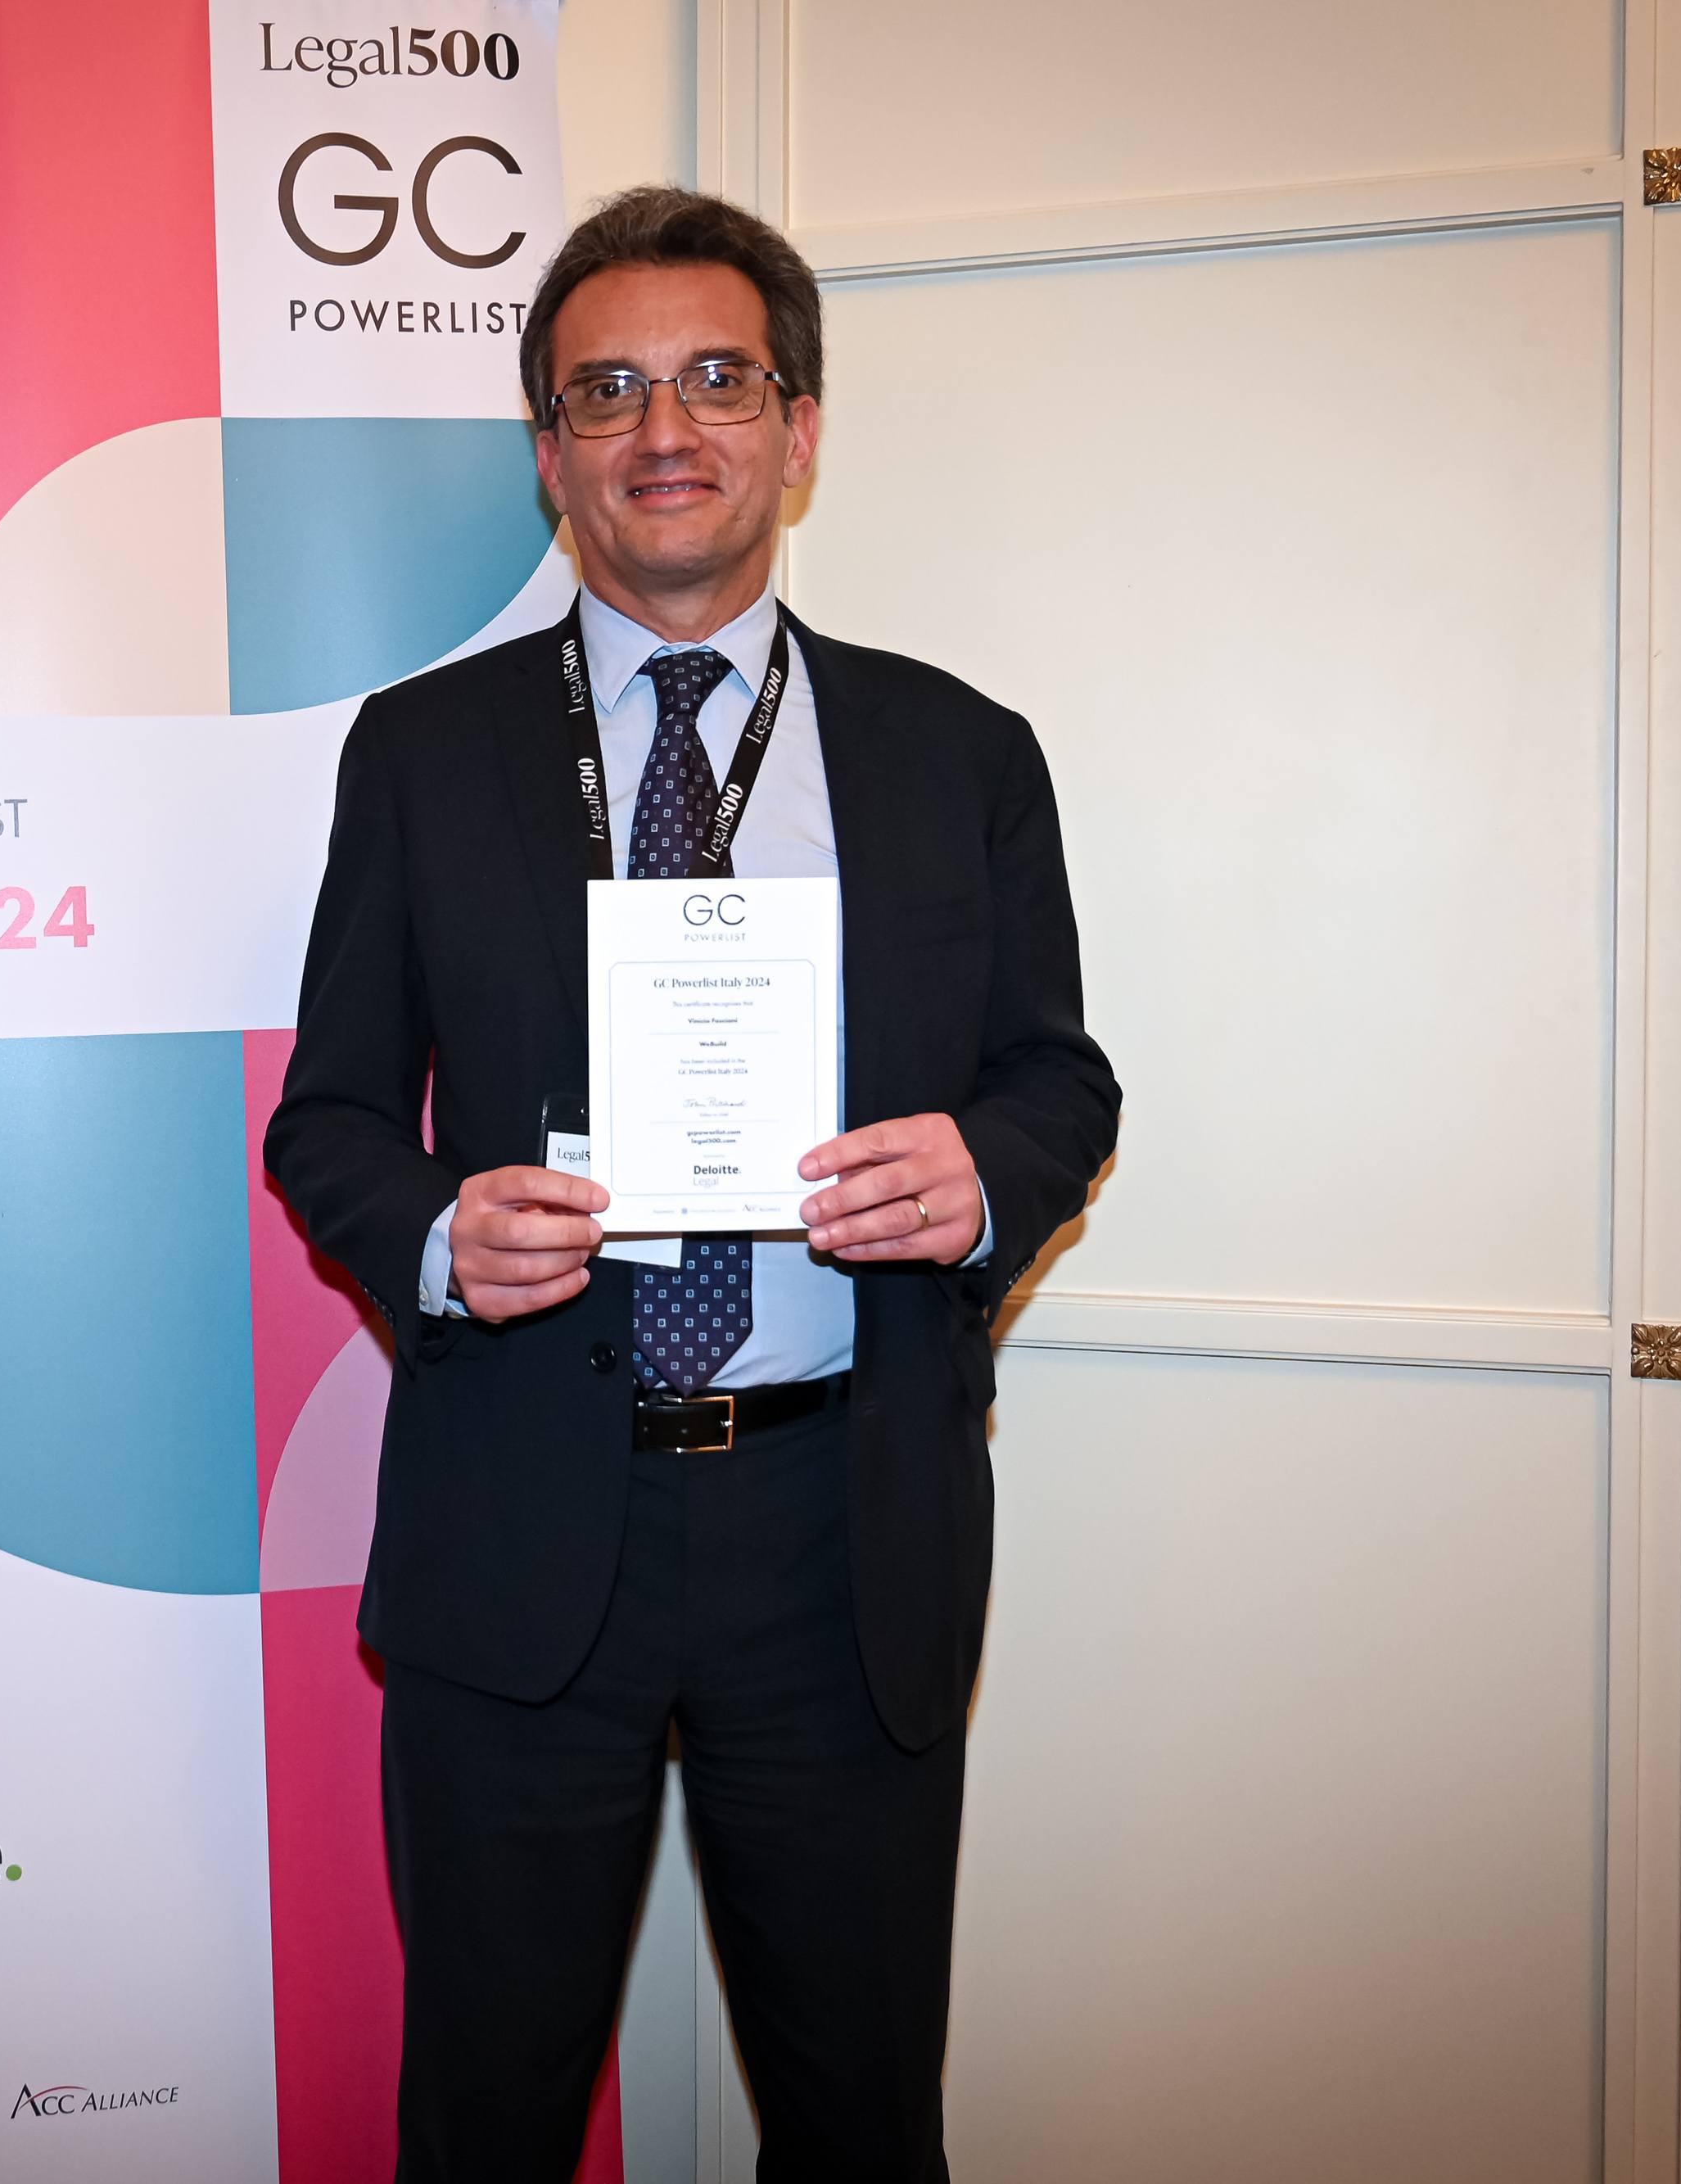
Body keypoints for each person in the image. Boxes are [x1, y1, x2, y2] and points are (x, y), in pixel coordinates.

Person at [264, 186, 1121, 2180]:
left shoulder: (957, 751)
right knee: (482, 2116)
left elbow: (1054, 1076)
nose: (664, 428)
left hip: (842, 1535)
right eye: (608, 390)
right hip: (517, 1522)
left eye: (718, 379)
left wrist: (978, 1173)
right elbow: (326, 1117)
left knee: (856, 2120)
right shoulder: (419, 751)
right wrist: (435, 1236)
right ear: (548, 450)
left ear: (796, 431)